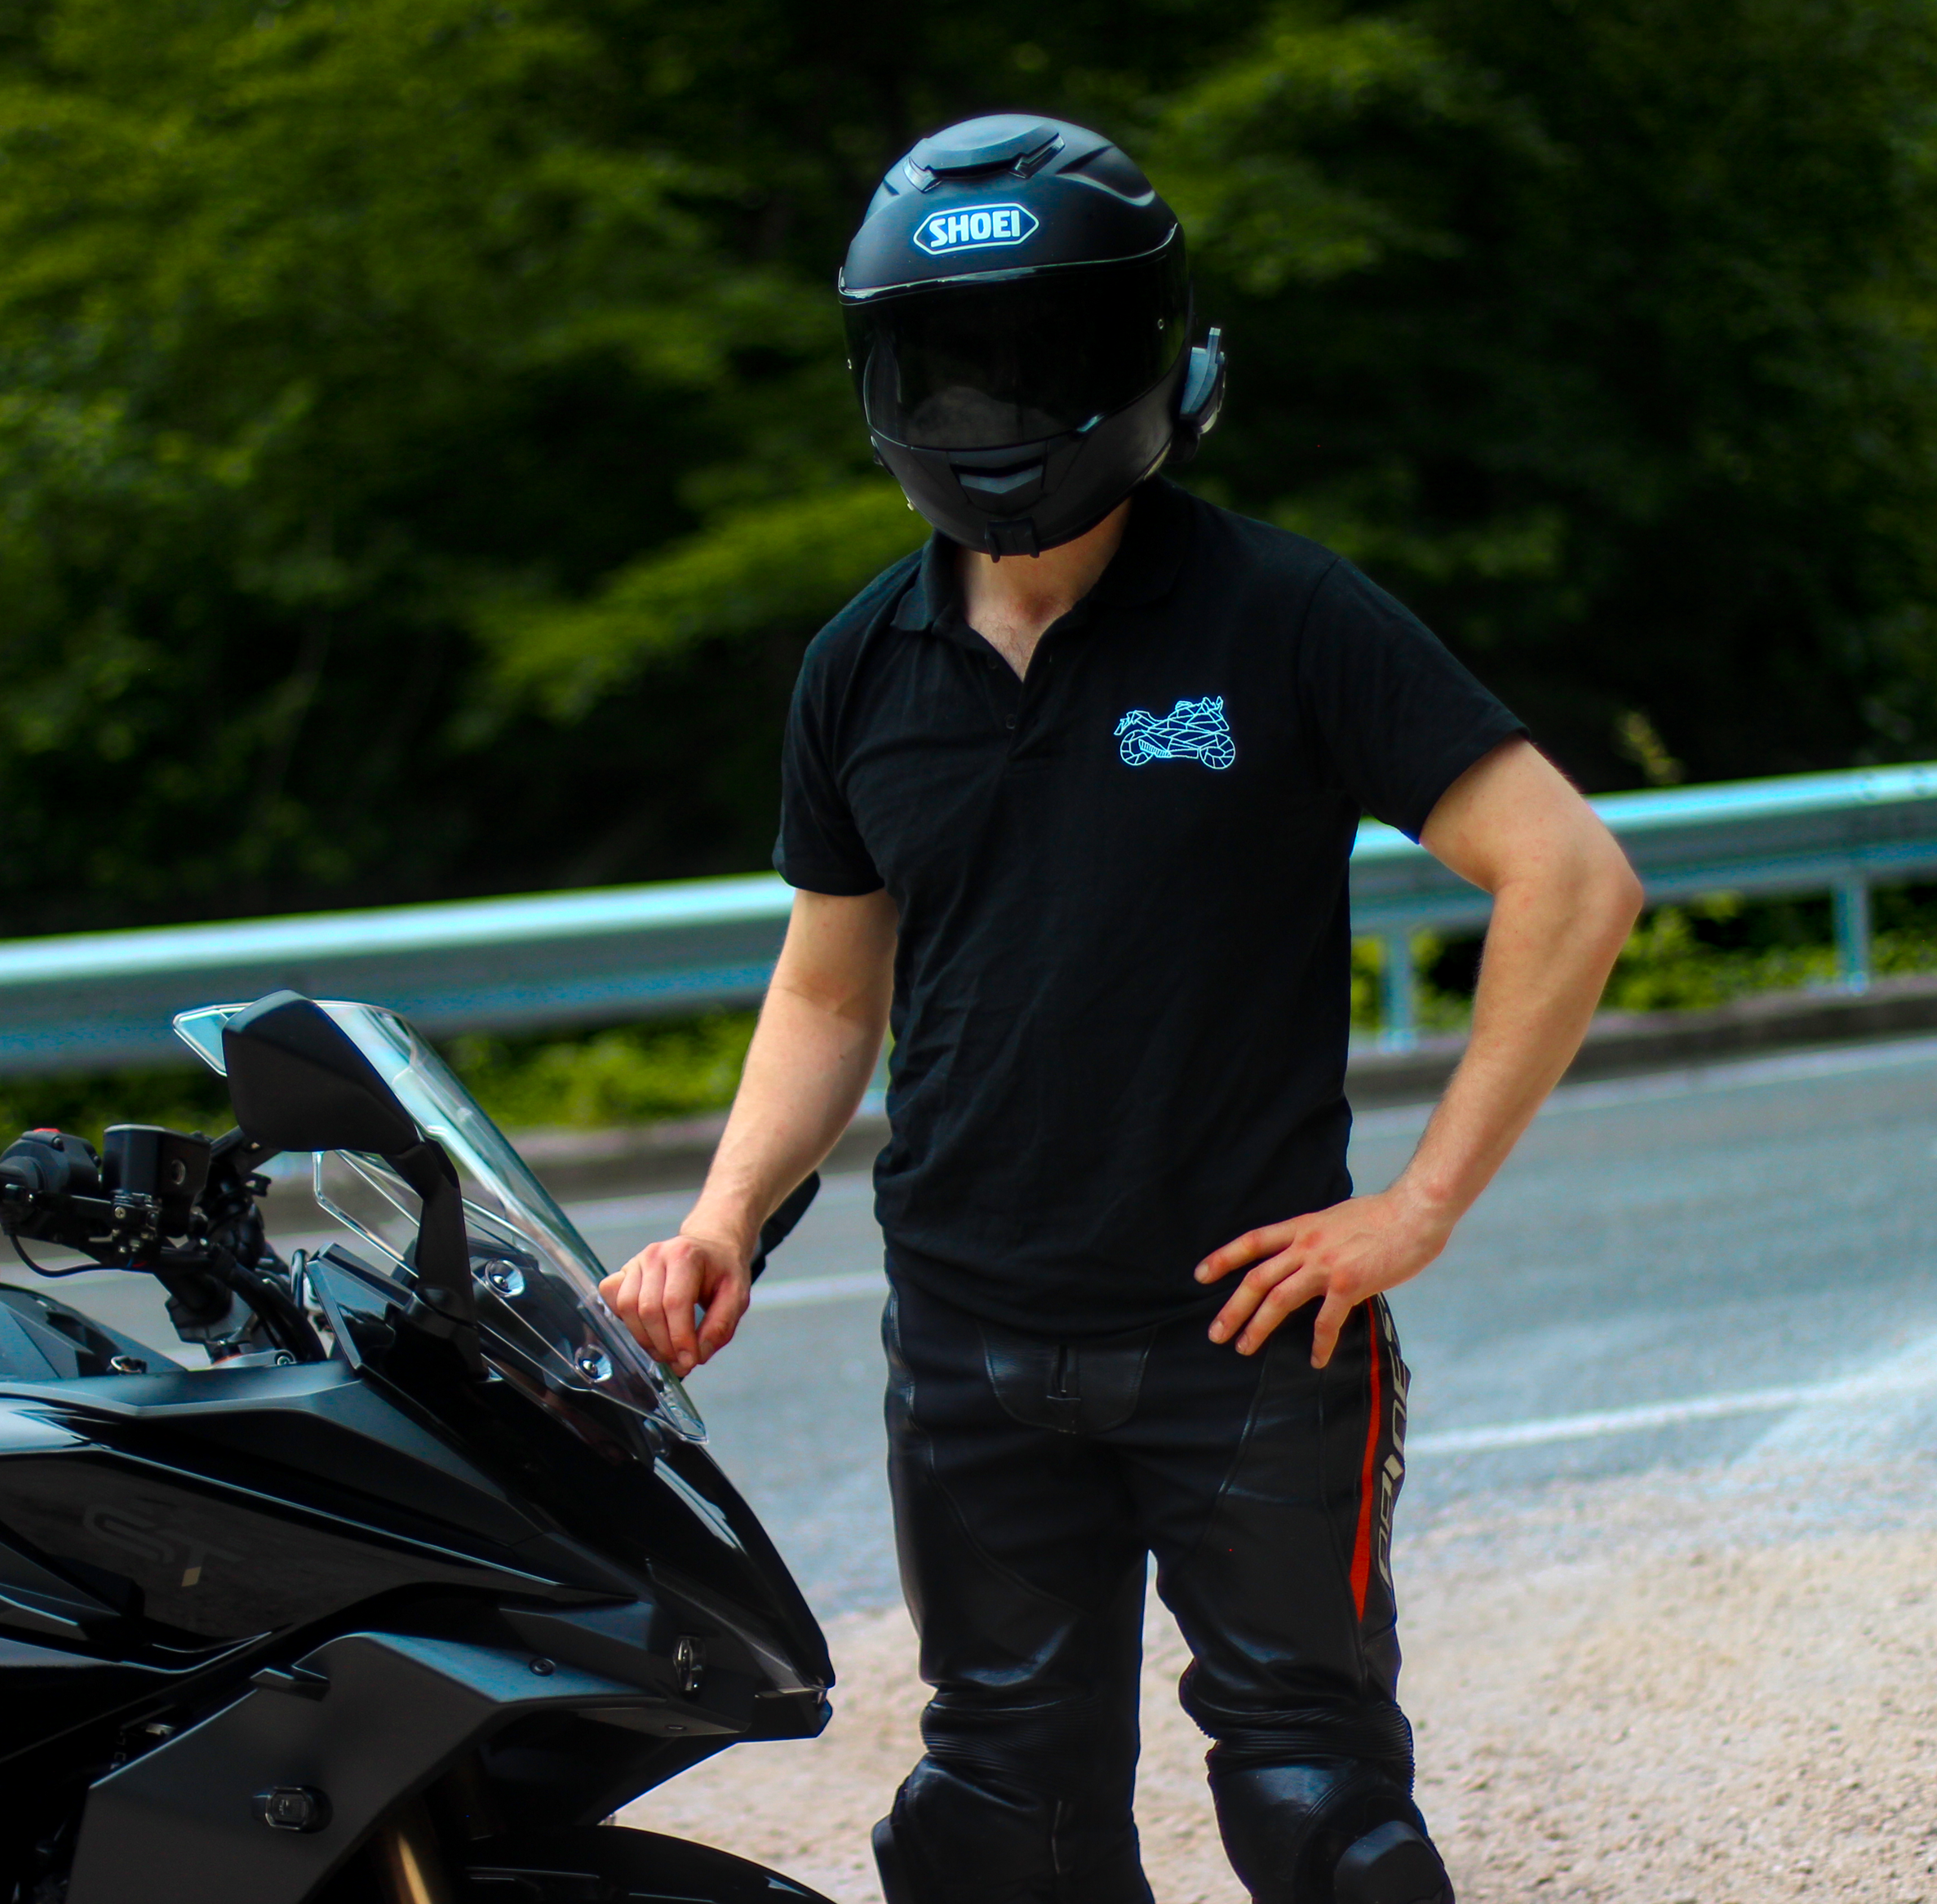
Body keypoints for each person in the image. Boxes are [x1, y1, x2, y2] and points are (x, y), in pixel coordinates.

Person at [601, 113, 1642, 1904]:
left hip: (1247, 1335)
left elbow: (1571, 876)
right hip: (969, 1336)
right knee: (1002, 1818)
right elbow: (829, 988)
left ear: (1145, 356)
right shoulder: (861, 665)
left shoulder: (1280, 616)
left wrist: (1416, 1207)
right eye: (947, 363)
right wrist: (719, 1216)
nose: (988, 409)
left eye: (1036, 358)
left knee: (1319, 1803)